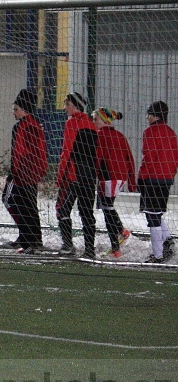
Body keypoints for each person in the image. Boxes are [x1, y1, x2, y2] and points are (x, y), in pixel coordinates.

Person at [55, 91, 98, 258]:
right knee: (87, 213)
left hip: (73, 176)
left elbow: (67, 152)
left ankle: (68, 246)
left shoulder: (72, 123)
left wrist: (60, 177)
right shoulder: (91, 124)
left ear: (75, 106)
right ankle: (90, 250)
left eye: (67, 104)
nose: (64, 108)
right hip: (89, 175)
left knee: (62, 209)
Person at [6, 89, 47, 254]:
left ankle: (28, 238)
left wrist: (14, 171)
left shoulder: (25, 127)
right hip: (30, 171)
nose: (14, 112)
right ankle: (32, 238)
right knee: (27, 205)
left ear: (24, 109)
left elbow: (22, 152)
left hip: (24, 172)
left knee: (13, 201)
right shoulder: (32, 125)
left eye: (16, 109)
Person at [137, 101, 178, 264]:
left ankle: (158, 255)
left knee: (152, 216)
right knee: (157, 212)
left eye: (149, 115)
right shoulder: (171, 132)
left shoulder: (150, 132)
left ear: (155, 115)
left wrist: (141, 177)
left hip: (153, 178)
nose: (147, 118)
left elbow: (149, 157)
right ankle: (167, 241)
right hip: (166, 178)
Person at [92, 107, 135, 258]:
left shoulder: (100, 135)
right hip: (120, 177)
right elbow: (130, 158)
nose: (94, 122)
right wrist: (131, 181)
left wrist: (91, 176)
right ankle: (121, 231)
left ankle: (116, 248)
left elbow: (97, 158)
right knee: (107, 206)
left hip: (109, 176)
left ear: (105, 121)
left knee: (107, 209)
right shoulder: (120, 136)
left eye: (96, 119)